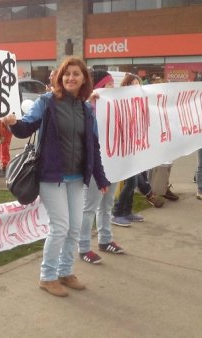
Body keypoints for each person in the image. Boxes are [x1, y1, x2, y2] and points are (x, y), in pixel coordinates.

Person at [1, 57, 110, 297]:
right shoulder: (47, 102)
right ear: (60, 77)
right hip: (51, 177)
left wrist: (100, 179)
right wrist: (12, 123)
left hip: (76, 177)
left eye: (76, 74)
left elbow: (93, 145)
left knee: (75, 227)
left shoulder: (86, 109)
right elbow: (27, 127)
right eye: (66, 73)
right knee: (60, 227)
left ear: (84, 79)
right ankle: (47, 276)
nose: (71, 78)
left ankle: (65, 272)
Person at [78, 69, 124, 265]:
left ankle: (105, 240)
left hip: (112, 163)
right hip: (96, 165)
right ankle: (83, 247)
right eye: (109, 84)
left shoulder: (114, 107)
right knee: (89, 207)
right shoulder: (85, 109)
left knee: (107, 204)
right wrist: (89, 103)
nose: (113, 87)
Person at [111, 74, 146, 226]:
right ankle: (117, 213)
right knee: (131, 182)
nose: (135, 86)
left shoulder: (139, 104)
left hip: (135, 148)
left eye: (137, 84)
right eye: (132, 84)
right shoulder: (120, 104)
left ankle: (127, 211)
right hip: (123, 149)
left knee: (132, 181)